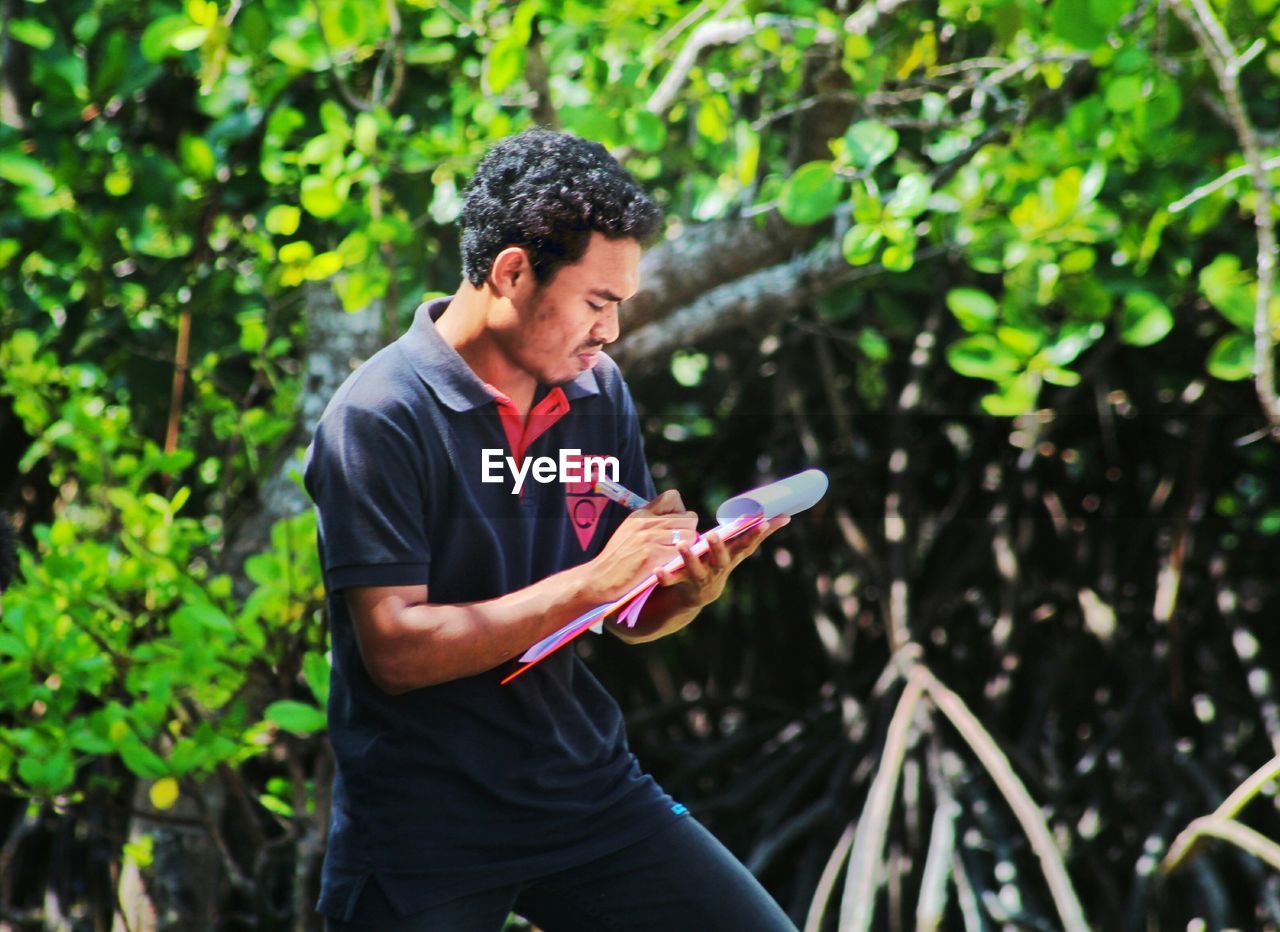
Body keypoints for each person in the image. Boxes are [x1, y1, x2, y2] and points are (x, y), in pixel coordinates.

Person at [304, 129, 796, 931]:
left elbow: (620, 615)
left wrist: (681, 592)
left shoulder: (598, 394)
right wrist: (597, 578)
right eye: (597, 303)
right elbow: (394, 650)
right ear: (510, 272)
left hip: (586, 794)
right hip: (424, 828)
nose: (611, 333)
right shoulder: (379, 415)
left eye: (620, 307)